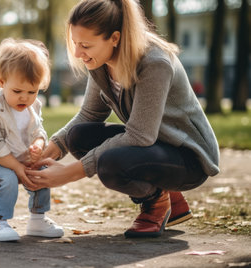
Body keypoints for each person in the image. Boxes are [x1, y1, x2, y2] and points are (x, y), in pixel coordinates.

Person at [25, 0, 220, 238]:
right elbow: (89, 114)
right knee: (78, 137)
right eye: (75, 43)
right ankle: (168, 195)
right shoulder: (100, 61)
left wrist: (68, 174)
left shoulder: (154, 63)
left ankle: (156, 202)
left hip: (188, 157)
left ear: (115, 38)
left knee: (110, 163)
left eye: (85, 45)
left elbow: (139, 135)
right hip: (153, 146)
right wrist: (48, 152)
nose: (77, 53)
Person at [0, 38, 64, 242]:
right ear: (2, 82)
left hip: (20, 156)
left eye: (32, 92)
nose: (25, 97)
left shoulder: (34, 106)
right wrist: (16, 168)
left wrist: (38, 145)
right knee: (8, 179)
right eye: (17, 91)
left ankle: (38, 220)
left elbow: (39, 131)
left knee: (42, 174)